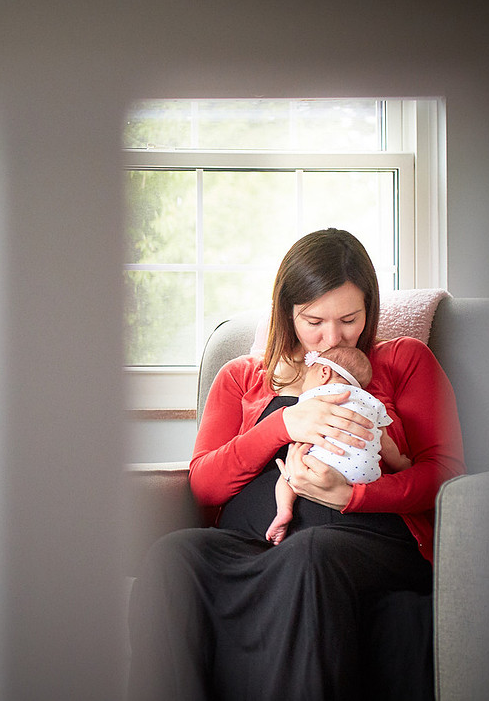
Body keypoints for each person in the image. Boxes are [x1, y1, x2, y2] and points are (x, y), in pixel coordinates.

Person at [127, 228, 465, 701]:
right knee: (174, 557)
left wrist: (356, 495)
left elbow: (444, 474)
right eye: (314, 322)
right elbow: (204, 486)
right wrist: (285, 424)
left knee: (309, 555)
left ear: (370, 310)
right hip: (252, 543)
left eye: (350, 319)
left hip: (367, 542)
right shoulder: (241, 378)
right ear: (287, 314)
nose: (333, 338)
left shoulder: (403, 361)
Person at [265, 345, 409, 545]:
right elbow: (385, 443)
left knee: (287, 476)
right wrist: (401, 463)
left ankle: (283, 512)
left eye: (307, 378)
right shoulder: (372, 402)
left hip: (322, 466)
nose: (304, 385)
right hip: (367, 477)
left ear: (324, 372)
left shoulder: (310, 398)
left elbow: (302, 431)